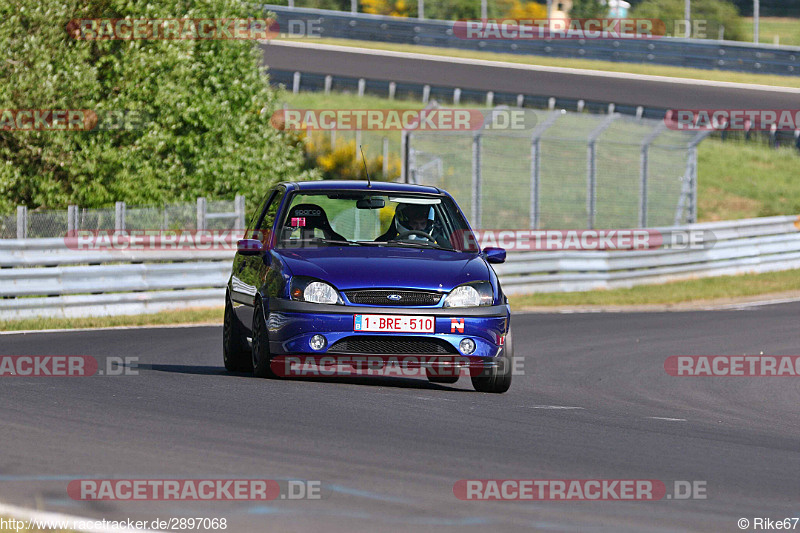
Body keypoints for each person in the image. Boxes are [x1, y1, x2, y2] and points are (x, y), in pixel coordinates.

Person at [376, 202, 450, 247]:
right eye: (414, 223)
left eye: (423, 223)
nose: (419, 227)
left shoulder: (442, 245)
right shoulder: (383, 243)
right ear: (406, 223)